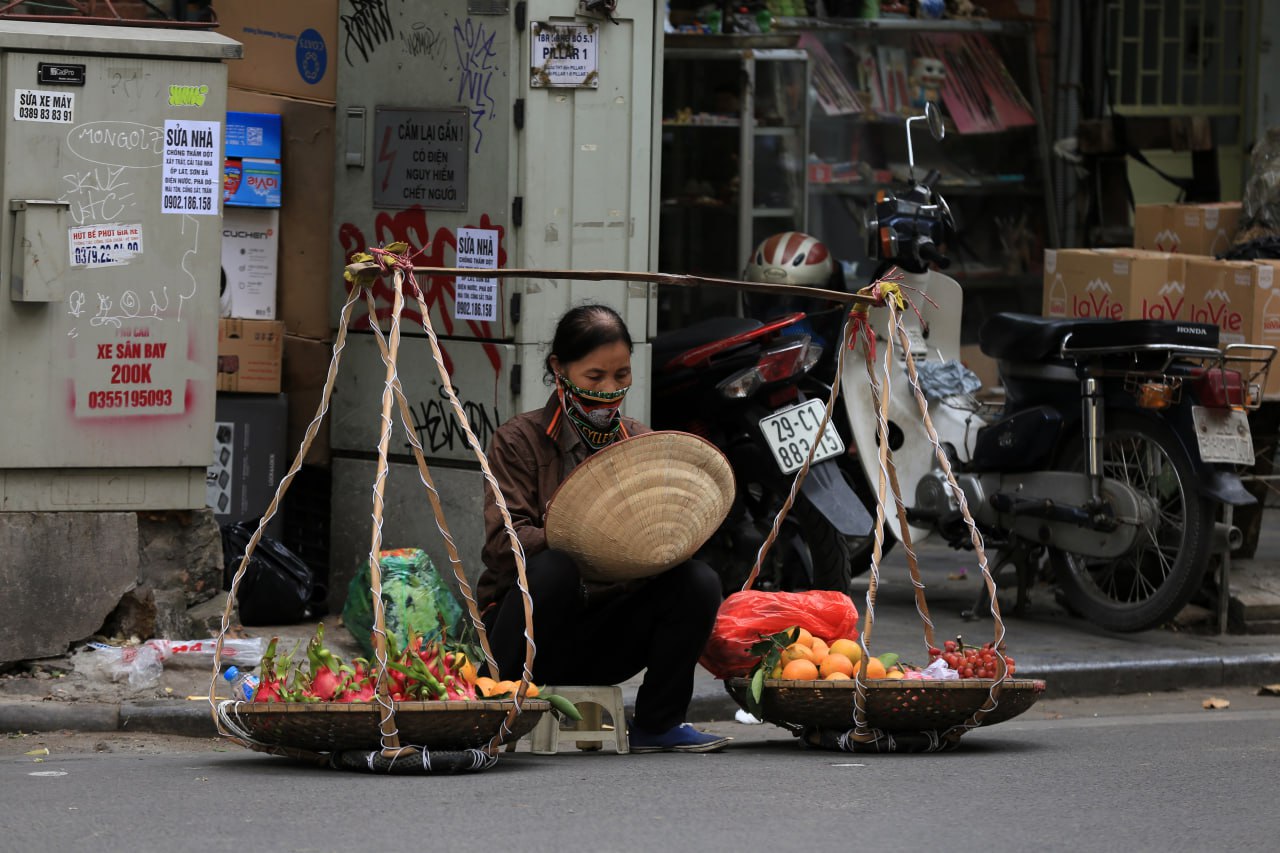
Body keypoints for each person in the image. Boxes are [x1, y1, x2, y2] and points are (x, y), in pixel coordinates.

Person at [477, 304, 729, 753]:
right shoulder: (518, 440)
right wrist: (584, 540)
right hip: (530, 634)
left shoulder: (638, 441)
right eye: (594, 378)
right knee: (554, 567)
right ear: (559, 368)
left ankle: (659, 723)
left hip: (607, 635)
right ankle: (493, 712)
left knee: (698, 581)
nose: (610, 390)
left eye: (621, 376)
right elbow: (503, 543)